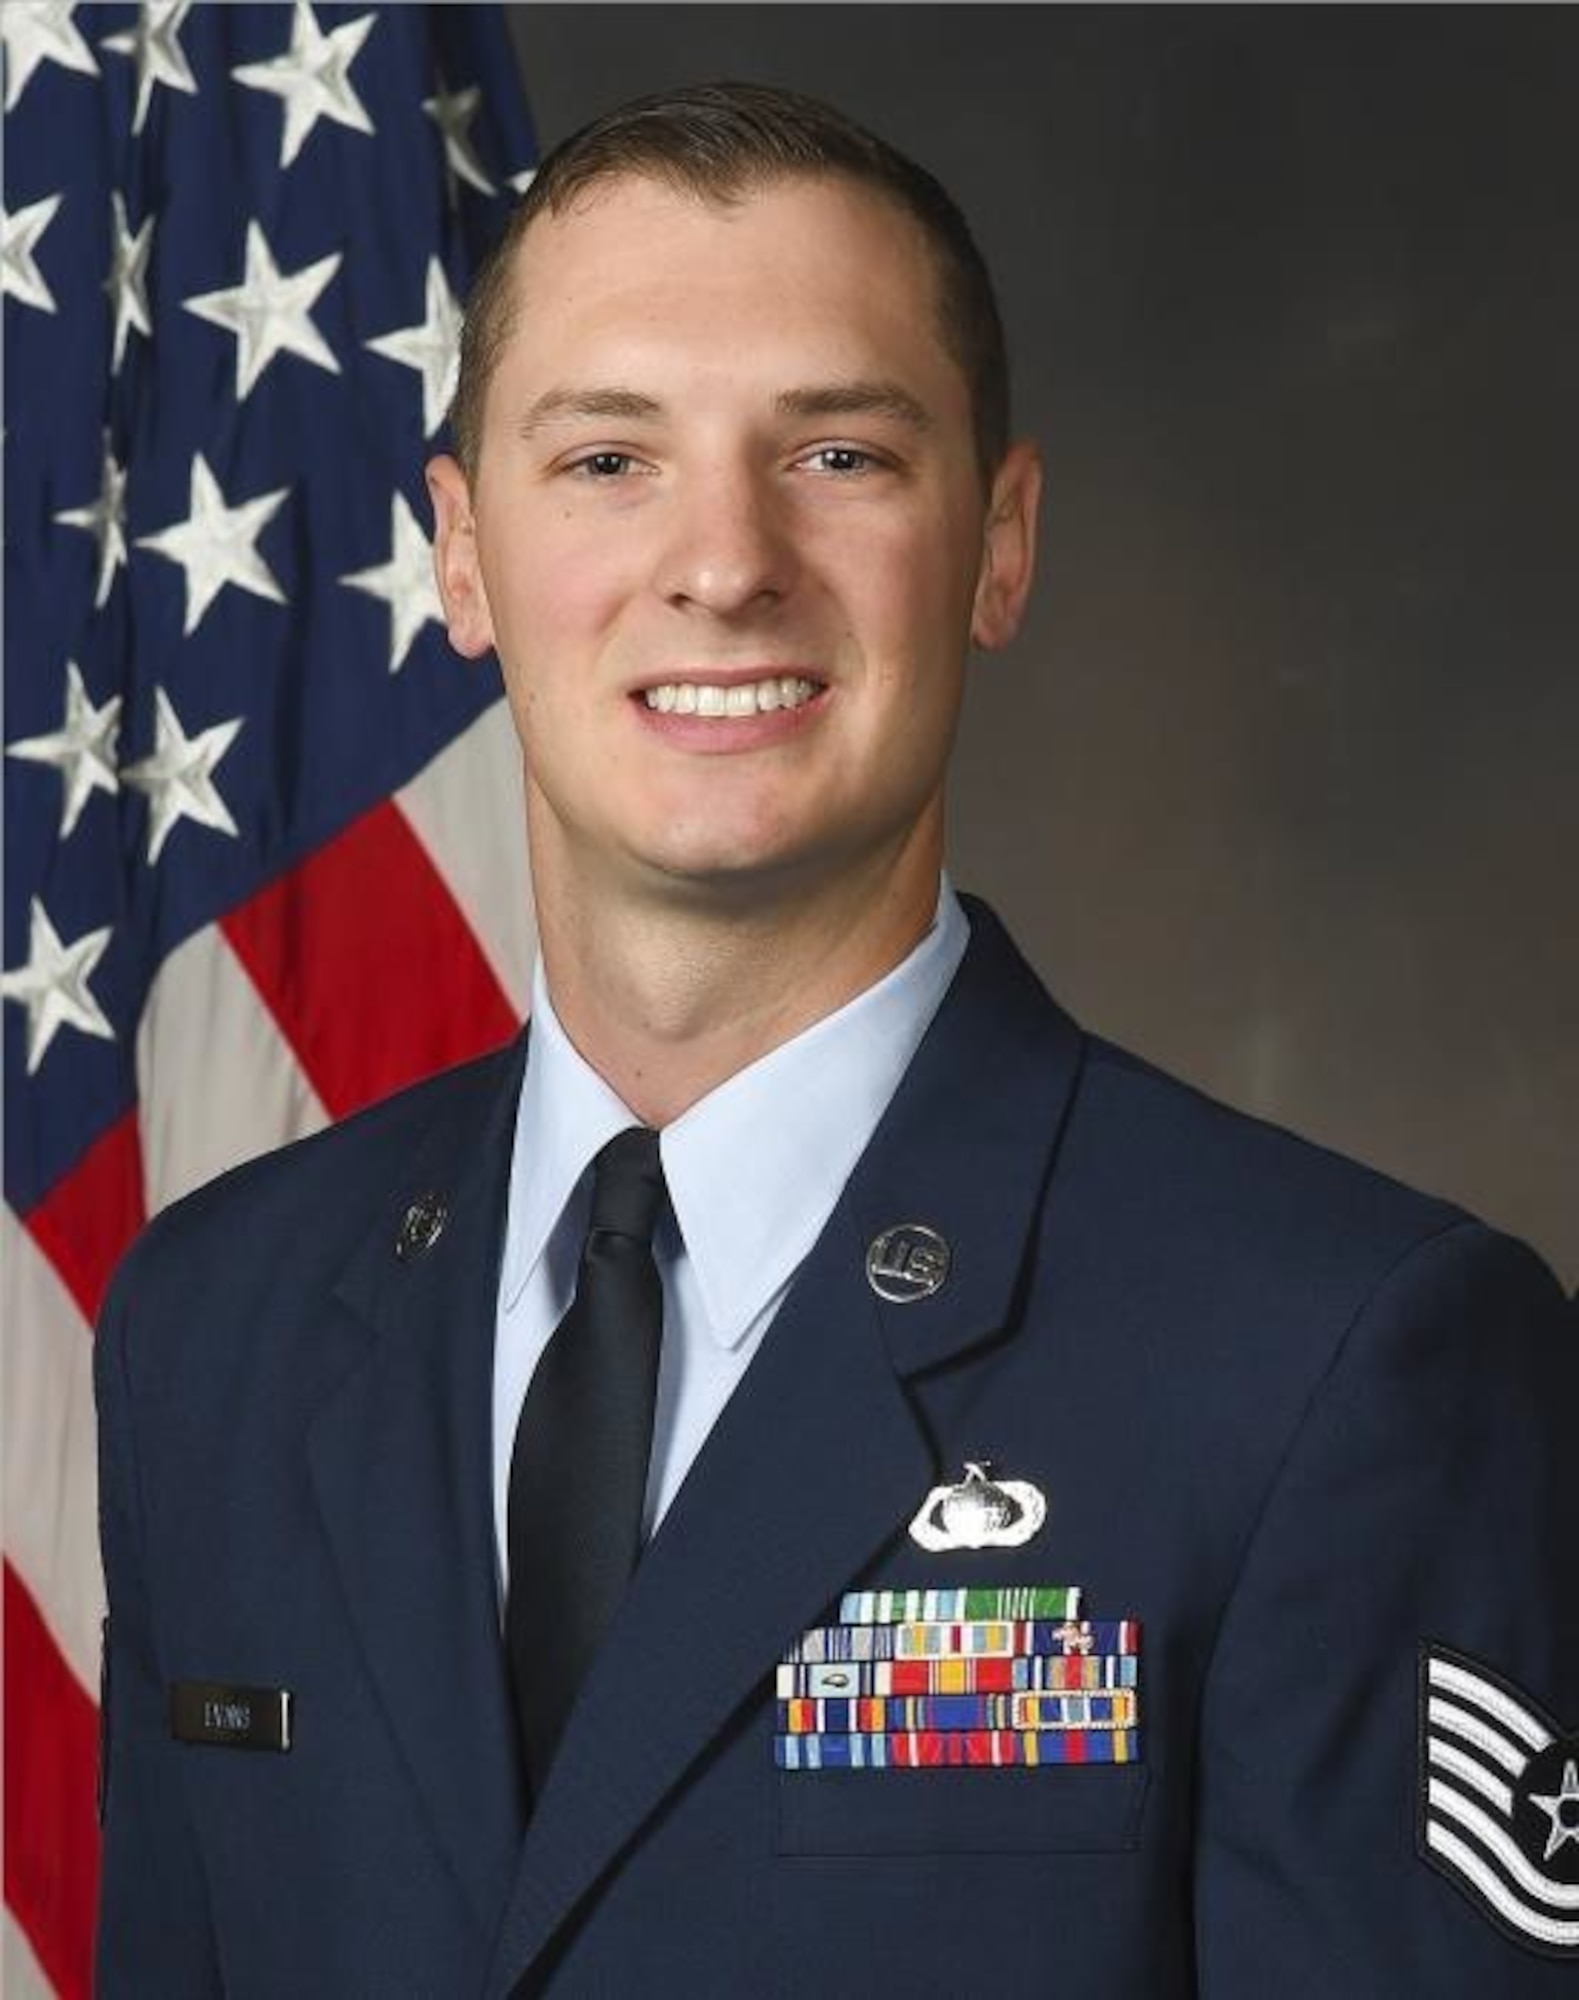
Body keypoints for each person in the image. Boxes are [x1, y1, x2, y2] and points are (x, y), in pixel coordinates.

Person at [95, 81, 1577, 1998]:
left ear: (1002, 543)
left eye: (843, 455)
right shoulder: (216, 1326)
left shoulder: (1343, 1357)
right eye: (608, 458)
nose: (724, 560)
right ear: (461, 557)